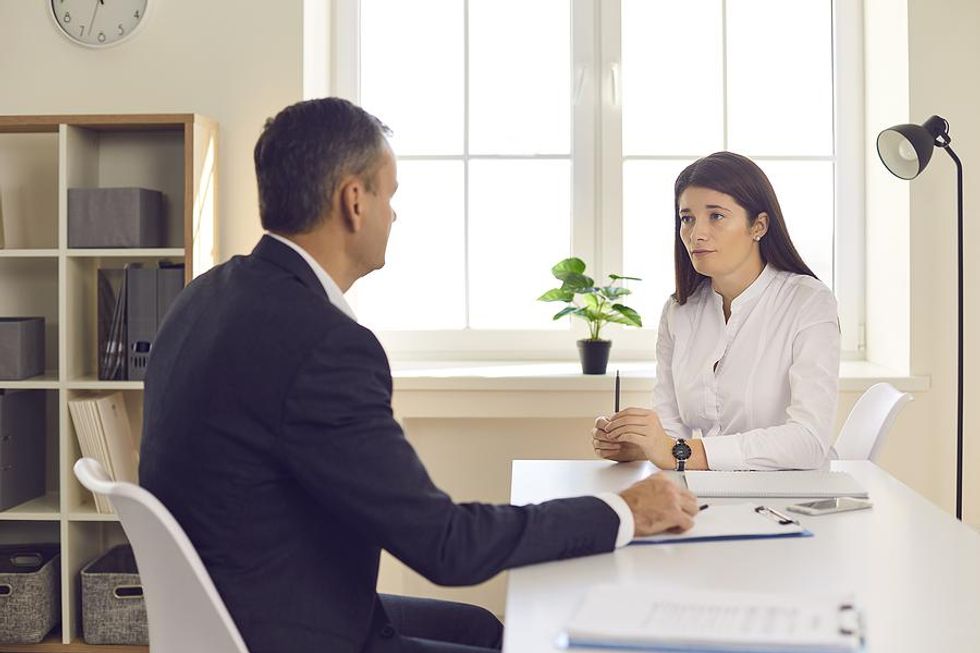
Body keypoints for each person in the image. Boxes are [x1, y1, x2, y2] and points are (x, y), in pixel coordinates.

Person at [139, 97, 699, 653]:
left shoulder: (205, 296)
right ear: (354, 200)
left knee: (488, 629)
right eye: (390, 194)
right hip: (289, 631)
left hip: (244, 606)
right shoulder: (325, 346)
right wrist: (621, 511)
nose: (394, 214)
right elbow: (446, 546)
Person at [593, 152, 840, 472]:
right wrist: (640, 445)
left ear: (759, 225)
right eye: (687, 218)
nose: (696, 233)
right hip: (706, 492)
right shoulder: (678, 311)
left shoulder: (808, 302)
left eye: (716, 216)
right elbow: (672, 433)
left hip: (789, 498)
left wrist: (678, 452)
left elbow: (809, 441)